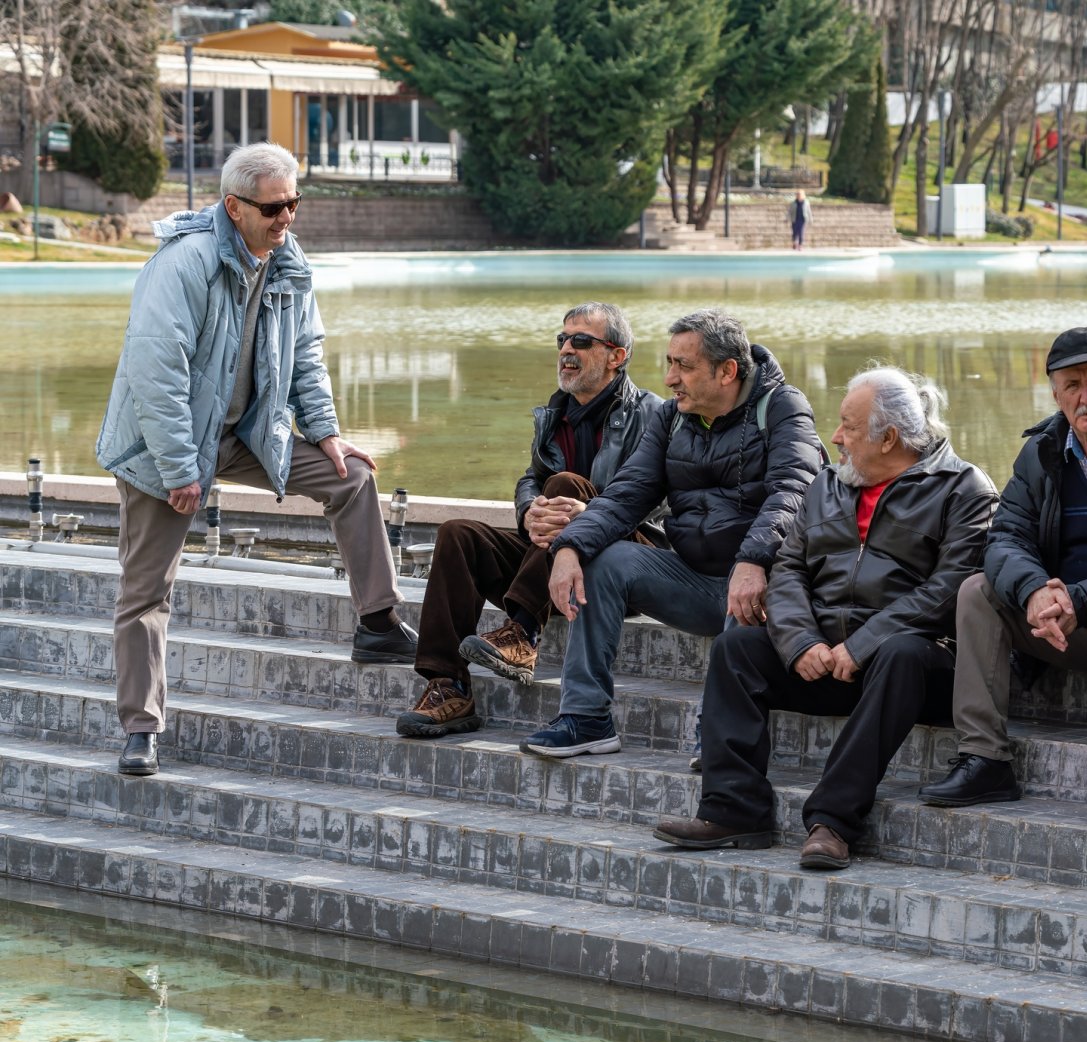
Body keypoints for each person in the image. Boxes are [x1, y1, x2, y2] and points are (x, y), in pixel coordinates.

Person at [95, 142, 413, 778]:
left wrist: (325, 433)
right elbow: (156, 374)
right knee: (145, 592)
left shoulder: (289, 264)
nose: (287, 217)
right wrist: (181, 467)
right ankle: (141, 727)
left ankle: (378, 623)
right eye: (274, 207)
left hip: (244, 434)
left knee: (350, 478)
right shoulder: (183, 265)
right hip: (169, 444)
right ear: (234, 207)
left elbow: (307, 353)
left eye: (295, 203)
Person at [654, 368, 998, 869]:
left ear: (890, 438)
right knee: (737, 649)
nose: (835, 437)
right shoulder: (829, 484)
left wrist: (862, 645)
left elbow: (948, 590)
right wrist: (800, 643)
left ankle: (833, 822)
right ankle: (734, 810)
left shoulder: (964, 488)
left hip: (909, 673)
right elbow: (789, 566)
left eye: (849, 427)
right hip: (823, 660)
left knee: (902, 653)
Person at [918, 327, 1087, 820]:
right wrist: (1032, 593)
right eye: (1073, 385)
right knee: (976, 591)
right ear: (1054, 391)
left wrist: (1080, 597)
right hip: (1054, 622)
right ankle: (984, 757)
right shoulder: (1041, 450)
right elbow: (1004, 537)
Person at [529, 309, 823, 757]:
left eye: (683, 366)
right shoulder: (670, 418)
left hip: (765, 582)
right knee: (603, 560)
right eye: (669, 363)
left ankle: (720, 739)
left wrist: (754, 559)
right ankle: (586, 719)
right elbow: (625, 495)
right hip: (695, 581)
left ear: (727, 371)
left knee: (754, 588)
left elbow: (795, 492)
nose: (669, 379)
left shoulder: (782, 407)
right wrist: (569, 547)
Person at [394, 302, 665, 739]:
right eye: (562, 340)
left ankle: (522, 633)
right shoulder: (553, 415)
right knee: (457, 535)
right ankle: (448, 686)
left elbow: (655, 500)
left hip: (628, 557)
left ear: (618, 355)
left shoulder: (654, 414)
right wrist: (530, 510)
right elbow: (531, 479)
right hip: (557, 559)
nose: (566, 350)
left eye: (582, 341)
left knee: (566, 484)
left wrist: (588, 514)